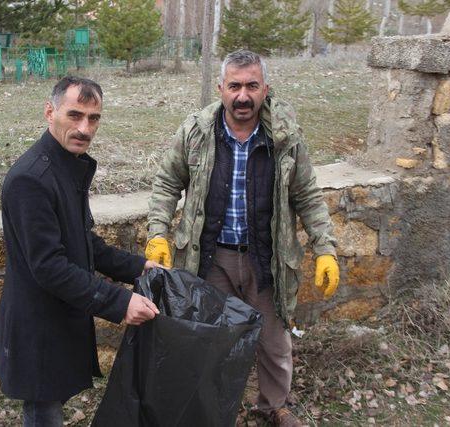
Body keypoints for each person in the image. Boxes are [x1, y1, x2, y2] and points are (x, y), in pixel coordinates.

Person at [144, 50, 340, 427]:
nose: (243, 95)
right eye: (234, 85)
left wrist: (325, 249)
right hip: (211, 257)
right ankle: (209, 409)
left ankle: (274, 406)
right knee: (209, 339)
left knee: (274, 342)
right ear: (221, 88)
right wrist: (158, 233)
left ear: (265, 89)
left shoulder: (285, 138)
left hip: (266, 259)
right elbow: (167, 183)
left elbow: (308, 197)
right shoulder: (197, 132)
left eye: (252, 85)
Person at [0, 76, 161, 427]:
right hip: (37, 326)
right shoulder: (31, 179)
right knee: (44, 414)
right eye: (75, 115)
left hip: (60, 318)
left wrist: (138, 267)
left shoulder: (67, 167)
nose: (84, 127)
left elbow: (84, 242)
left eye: (94, 118)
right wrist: (119, 302)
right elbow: (49, 266)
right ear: (49, 112)